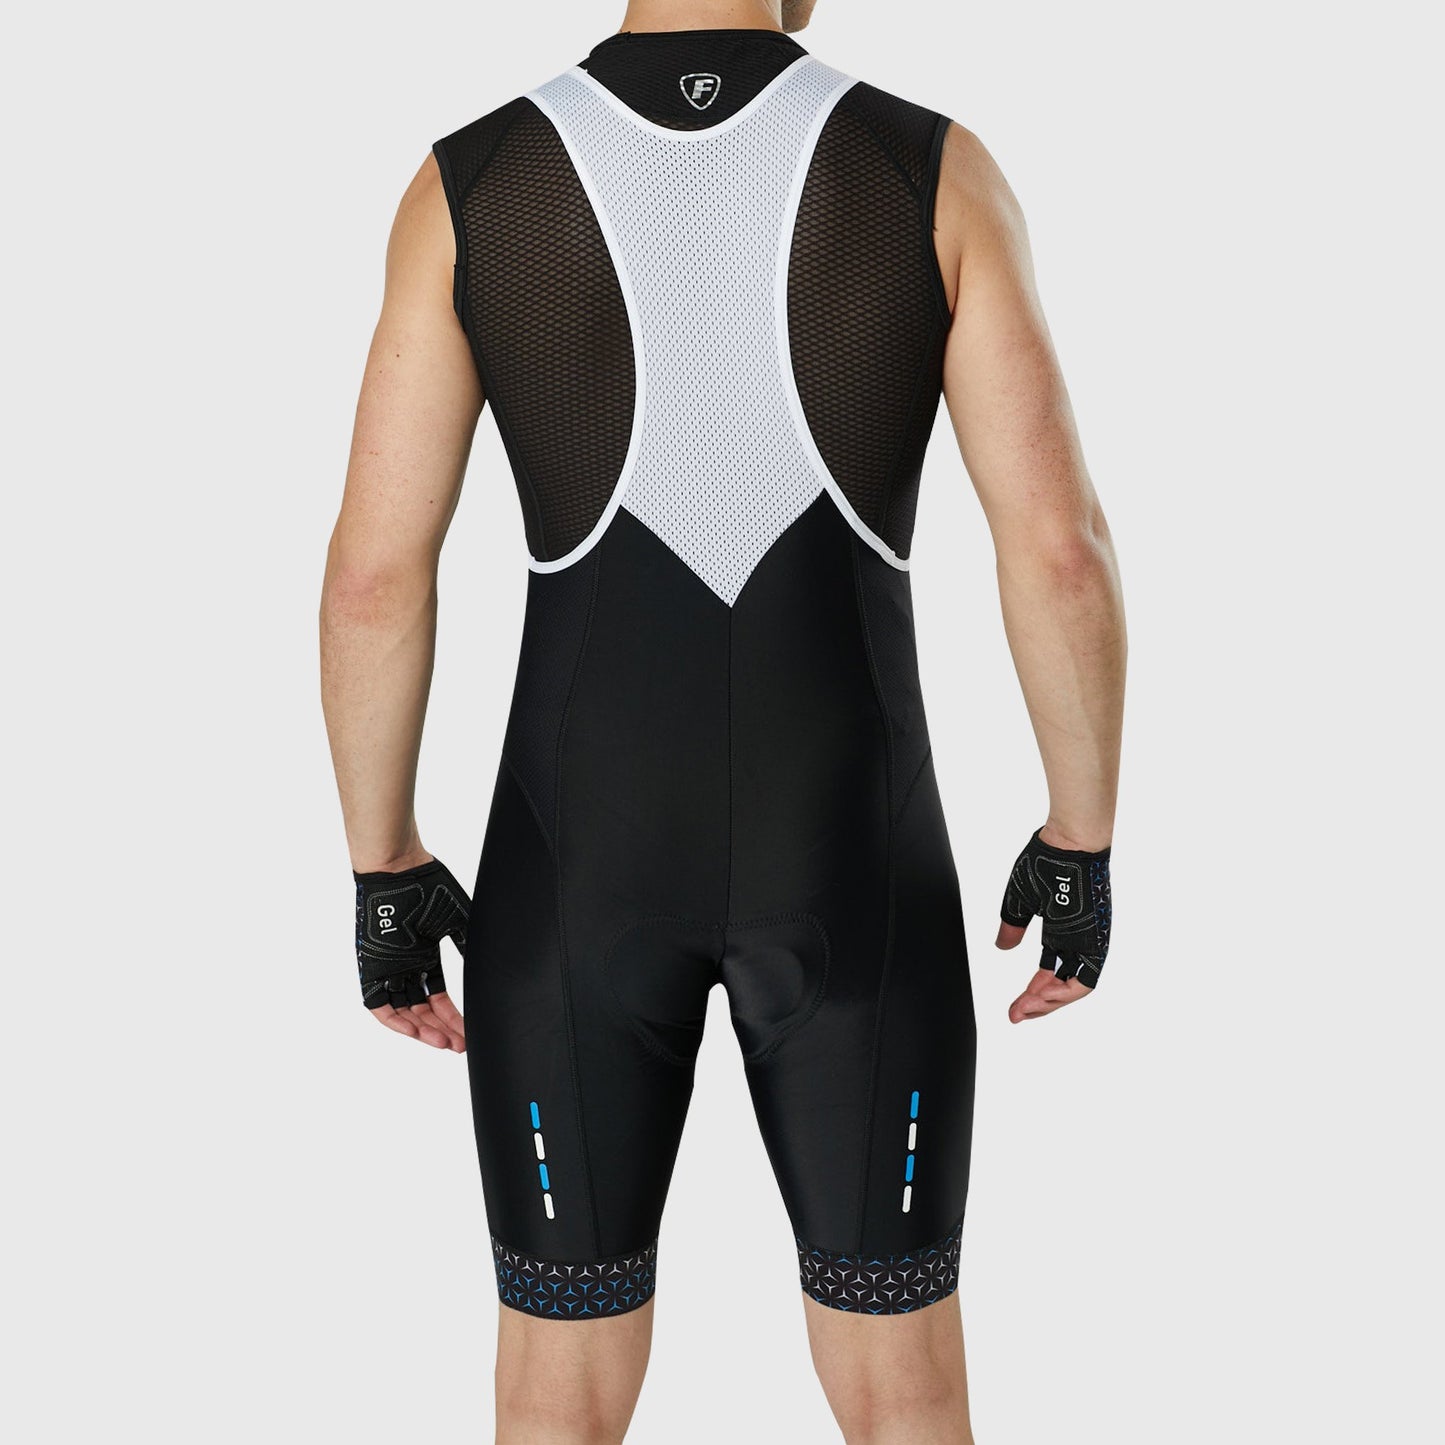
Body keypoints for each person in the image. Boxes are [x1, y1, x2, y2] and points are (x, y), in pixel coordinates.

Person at [320, 0, 1126, 1439]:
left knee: (557, 1393)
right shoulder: (928, 169)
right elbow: (1058, 552)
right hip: (856, 867)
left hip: (576, 874)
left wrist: (383, 867)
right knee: (903, 1391)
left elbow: (374, 579)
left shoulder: (473, 183)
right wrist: (1081, 836)